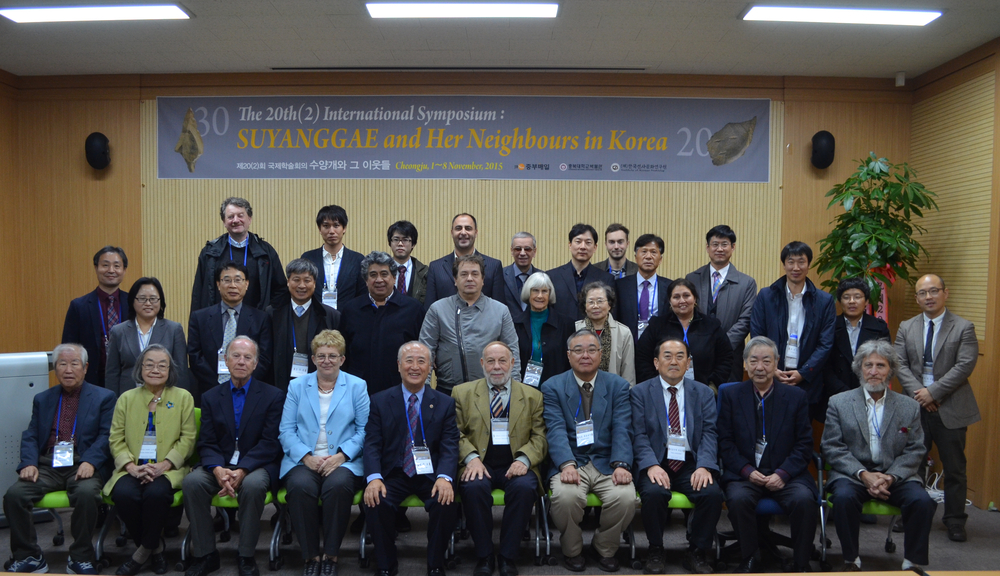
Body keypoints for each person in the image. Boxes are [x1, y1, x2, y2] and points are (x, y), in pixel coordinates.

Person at [822, 340, 936, 572]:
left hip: (894, 475)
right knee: (843, 499)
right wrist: (864, 475)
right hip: (853, 474)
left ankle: (911, 562)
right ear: (860, 369)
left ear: (890, 371)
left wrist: (890, 477)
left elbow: (915, 449)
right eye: (868, 365)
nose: (874, 372)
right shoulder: (839, 402)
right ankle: (851, 559)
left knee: (922, 501)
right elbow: (832, 446)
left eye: (880, 366)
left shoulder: (909, 406)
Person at [4, 344, 117, 575]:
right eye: (62, 364)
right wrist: (29, 463)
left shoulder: (104, 397)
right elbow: (32, 434)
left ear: (85, 368)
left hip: (83, 463)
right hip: (47, 465)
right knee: (15, 495)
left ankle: (80, 556)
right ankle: (29, 555)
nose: (68, 369)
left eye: (74, 363)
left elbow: (108, 436)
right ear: (55, 369)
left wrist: (91, 462)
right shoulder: (43, 398)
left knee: (86, 494)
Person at [183, 337, 284, 576]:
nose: (241, 361)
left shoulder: (273, 396)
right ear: (226, 361)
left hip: (256, 464)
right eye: (236, 356)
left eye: (247, 357)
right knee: (192, 482)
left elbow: (271, 442)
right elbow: (206, 441)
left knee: (253, 485)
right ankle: (206, 555)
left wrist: (243, 469)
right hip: (220, 463)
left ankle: (246, 555)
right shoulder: (210, 397)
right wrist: (218, 469)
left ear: (256, 363)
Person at [717, 336, 817, 573]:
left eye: (766, 361)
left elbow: (804, 444)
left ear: (776, 363)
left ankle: (801, 563)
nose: (759, 367)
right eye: (753, 361)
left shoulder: (796, 397)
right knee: (738, 499)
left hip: (787, 474)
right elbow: (725, 442)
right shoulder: (731, 395)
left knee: (804, 500)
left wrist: (783, 473)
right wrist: (747, 471)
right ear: (744, 364)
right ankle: (749, 557)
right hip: (745, 473)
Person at [894, 274, 979, 543]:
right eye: (922, 293)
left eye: (933, 291)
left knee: (955, 467)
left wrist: (934, 392)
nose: (928, 297)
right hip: (916, 405)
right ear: (917, 298)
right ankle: (912, 514)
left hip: (951, 404)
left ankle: (955, 520)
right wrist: (922, 394)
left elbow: (964, 365)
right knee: (913, 464)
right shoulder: (907, 327)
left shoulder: (963, 326)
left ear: (945, 293)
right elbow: (898, 363)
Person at [363, 341, 460, 576]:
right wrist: (374, 477)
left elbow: (449, 445)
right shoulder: (380, 400)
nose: (414, 367)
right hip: (394, 472)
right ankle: (386, 563)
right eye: (409, 361)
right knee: (376, 501)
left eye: (421, 361)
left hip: (430, 474)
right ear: (398, 366)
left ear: (430, 367)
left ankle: (435, 563)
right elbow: (372, 444)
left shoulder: (445, 403)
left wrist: (445, 477)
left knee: (445, 501)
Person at [279, 330, 370, 576]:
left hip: (343, 461)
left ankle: (331, 554)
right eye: (321, 355)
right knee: (299, 487)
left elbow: (364, 431)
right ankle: (310, 556)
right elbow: (286, 430)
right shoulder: (297, 386)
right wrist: (306, 457)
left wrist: (342, 456)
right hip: (303, 459)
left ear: (342, 359)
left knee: (338, 487)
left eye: (332, 355)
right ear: (313, 359)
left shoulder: (357, 386)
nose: (326, 360)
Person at [543, 329, 634, 572]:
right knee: (565, 497)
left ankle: (603, 547)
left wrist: (622, 464)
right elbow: (555, 429)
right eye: (578, 350)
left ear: (601, 354)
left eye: (592, 349)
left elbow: (623, 428)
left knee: (626, 498)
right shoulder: (552, 386)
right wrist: (566, 463)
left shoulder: (618, 386)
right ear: (568, 355)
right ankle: (572, 550)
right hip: (572, 460)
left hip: (607, 460)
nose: (585, 355)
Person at [452, 342, 547, 576]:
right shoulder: (462, 393)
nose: (497, 367)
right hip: (478, 464)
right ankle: (484, 556)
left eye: (502, 361)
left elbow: (540, 437)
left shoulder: (533, 396)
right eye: (491, 361)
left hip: (516, 464)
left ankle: (507, 556)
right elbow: (454, 433)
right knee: (473, 489)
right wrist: (471, 458)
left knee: (524, 489)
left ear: (513, 363)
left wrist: (524, 459)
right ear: (482, 364)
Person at [631, 338, 722, 574]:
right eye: (667, 356)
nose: (674, 361)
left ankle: (697, 552)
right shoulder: (640, 392)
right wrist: (650, 465)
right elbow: (638, 434)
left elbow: (710, 433)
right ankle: (656, 548)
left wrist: (705, 466)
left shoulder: (703, 393)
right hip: (656, 460)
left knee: (711, 493)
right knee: (653, 492)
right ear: (656, 362)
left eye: (680, 356)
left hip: (691, 462)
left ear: (688, 362)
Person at [104, 344, 196, 576]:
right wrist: (131, 467)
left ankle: (141, 554)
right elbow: (115, 438)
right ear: (140, 368)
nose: (155, 369)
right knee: (124, 494)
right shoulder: (126, 398)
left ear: (170, 370)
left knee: (156, 494)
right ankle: (154, 549)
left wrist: (164, 465)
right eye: (149, 364)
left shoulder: (183, 397)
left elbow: (188, 438)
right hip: (132, 467)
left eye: (162, 365)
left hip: (167, 468)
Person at [750, 241, 836, 420]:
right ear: (784, 264)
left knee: (802, 435)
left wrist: (803, 373)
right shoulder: (766, 296)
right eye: (791, 262)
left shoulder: (824, 301)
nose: (796, 267)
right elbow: (758, 336)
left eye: (801, 262)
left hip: (807, 381)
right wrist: (771, 368)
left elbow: (825, 343)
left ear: (809, 264)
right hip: (771, 377)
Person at [420, 254, 520, 396]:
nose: (469, 279)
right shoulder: (438, 309)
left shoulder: (500, 311)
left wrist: (514, 392)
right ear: (455, 280)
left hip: (490, 392)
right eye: (464, 274)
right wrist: (424, 391)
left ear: (483, 279)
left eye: (475, 274)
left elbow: (512, 352)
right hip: (447, 391)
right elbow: (425, 352)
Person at [341, 252, 425, 396]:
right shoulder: (351, 309)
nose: (379, 280)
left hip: (400, 390)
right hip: (358, 391)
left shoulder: (413, 309)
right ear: (366, 280)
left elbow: (422, 350)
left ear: (394, 277)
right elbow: (343, 353)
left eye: (384, 274)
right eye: (373, 275)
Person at [187, 262, 273, 405]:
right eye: (226, 280)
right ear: (218, 284)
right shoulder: (199, 317)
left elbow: (264, 358)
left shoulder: (261, 318)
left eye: (238, 280)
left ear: (246, 284)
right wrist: (219, 386)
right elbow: (195, 356)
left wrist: (243, 382)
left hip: (249, 391)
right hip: (210, 390)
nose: (232, 285)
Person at [190, 197, 285, 316]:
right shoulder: (210, 253)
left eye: (241, 215)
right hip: (217, 322)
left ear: (249, 219)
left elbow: (281, 290)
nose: (236, 220)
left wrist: (266, 315)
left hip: (256, 324)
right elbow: (198, 294)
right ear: (224, 222)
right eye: (230, 217)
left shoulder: (266, 252)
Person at [686, 225, 758, 382]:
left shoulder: (746, 283)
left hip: (730, 357)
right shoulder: (692, 279)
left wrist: (721, 346)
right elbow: (686, 314)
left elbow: (745, 321)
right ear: (707, 247)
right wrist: (702, 345)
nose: (719, 249)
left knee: (728, 402)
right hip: (697, 356)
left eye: (724, 244)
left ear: (733, 247)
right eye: (715, 244)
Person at [635, 279, 732, 391]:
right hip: (663, 392)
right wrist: (655, 386)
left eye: (686, 296)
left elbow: (726, 357)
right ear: (670, 301)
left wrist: (712, 385)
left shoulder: (711, 325)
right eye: (676, 297)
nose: (682, 301)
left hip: (702, 392)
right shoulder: (657, 325)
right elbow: (642, 358)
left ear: (694, 298)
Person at [266, 259, 341, 392]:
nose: (302, 285)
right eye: (296, 280)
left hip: (319, 385)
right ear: (288, 282)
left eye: (307, 280)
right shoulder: (272, 313)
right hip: (280, 385)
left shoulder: (330, 316)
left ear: (314, 283)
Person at [106, 277, 190, 396]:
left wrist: (178, 401)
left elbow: (181, 372)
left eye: (153, 299)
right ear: (132, 301)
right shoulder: (119, 331)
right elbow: (112, 374)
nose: (148, 303)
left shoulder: (173, 329)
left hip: (164, 399)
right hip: (128, 399)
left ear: (160, 301)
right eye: (142, 299)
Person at [821, 277, 891, 419]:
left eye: (857, 297)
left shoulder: (879, 327)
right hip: (836, 394)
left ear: (866, 301)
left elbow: (885, 362)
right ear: (840, 301)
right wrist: (843, 392)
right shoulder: (829, 326)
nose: (852, 301)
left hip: (870, 393)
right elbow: (824, 364)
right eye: (846, 297)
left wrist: (865, 391)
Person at [62, 245, 129, 388]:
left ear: (124, 270)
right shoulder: (79, 306)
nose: (111, 270)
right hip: (91, 381)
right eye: (105, 265)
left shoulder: (133, 304)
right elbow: (68, 348)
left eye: (117, 266)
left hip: (127, 380)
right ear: (96, 268)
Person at [424, 213, 504, 308]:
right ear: (452, 232)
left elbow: (499, 309)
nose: (463, 232)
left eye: (468, 228)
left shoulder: (494, 266)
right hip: (446, 322)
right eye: (458, 228)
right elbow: (429, 308)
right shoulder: (436, 267)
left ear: (476, 232)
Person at [513, 272, 573, 388]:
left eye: (544, 291)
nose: (540, 296)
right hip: (523, 389)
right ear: (528, 293)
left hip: (557, 389)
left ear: (550, 294)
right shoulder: (515, 324)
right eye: (535, 290)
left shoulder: (566, 325)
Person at [300, 205, 366, 310]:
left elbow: (362, 294)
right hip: (316, 318)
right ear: (319, 229)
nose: (331, 231)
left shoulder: (358, 259)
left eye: (336, 225)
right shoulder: (308, 258)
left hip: (347, 318)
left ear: (344, 228)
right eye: (326, 226)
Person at [547, 224, 616, 322]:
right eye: (578, 242)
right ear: (570, 245)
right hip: (560, 335)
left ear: (595, 247)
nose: (583, 247)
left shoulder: (606, 279)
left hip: (593, 335)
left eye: (588, 242)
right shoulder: (552, 276)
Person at [575, 282, 635, 386]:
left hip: (614, 393)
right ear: (585, 306)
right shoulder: (575, 329)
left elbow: (628, 373)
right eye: (590, 302)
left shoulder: (624, 332)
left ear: (609, 305)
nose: (595, 306)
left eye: (600, 301)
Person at [614, 234, 670, 343]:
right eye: (644, 252)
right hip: (627, 345)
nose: (648, 256)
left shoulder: (669, 287)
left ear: (660, 259)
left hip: (659, 345)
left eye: (654, 252)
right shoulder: (620, 286)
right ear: (636, 257)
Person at [501, 232, 540, 321]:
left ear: (534, 252)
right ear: (512, 251)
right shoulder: (500, 275)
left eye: (527, 249)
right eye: (518, 249)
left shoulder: (542, 277)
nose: (522, 253)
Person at [387, 220, 428, 303]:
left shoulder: (425, 272)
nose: (400, 244)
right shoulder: (382, 271)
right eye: (396, 239)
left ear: (413, 244)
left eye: (405, 240)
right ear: (390, 243)